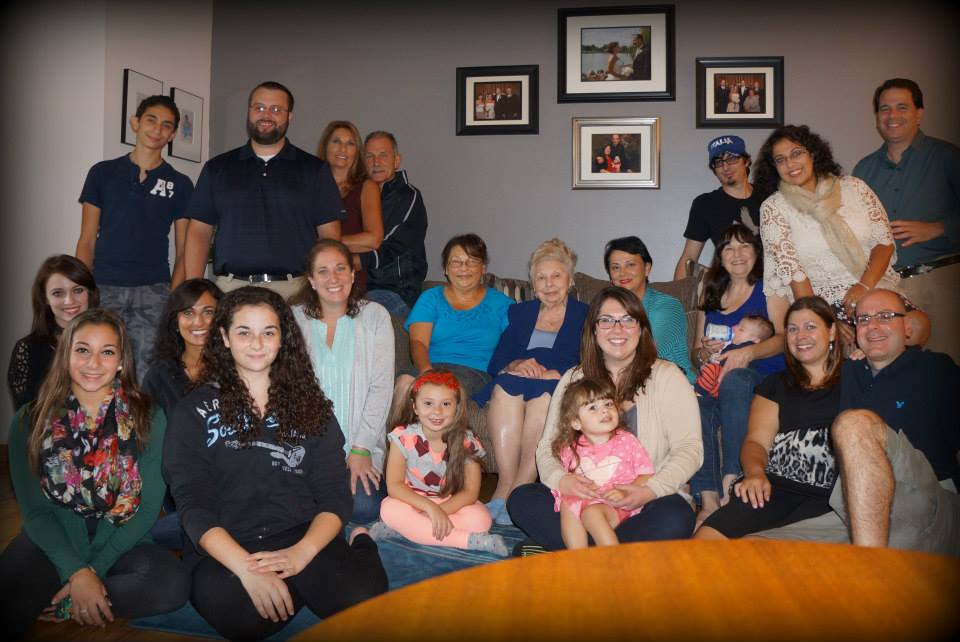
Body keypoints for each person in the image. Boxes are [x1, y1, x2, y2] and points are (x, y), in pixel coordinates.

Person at [162, 287, 388, 640]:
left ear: (283, 339)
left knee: (363, 602)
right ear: (224, 337)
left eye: (268, 332)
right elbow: (192, 503)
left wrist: (301, 555)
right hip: (228, 542)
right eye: (244, 332)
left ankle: (361, 543)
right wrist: (247, 569)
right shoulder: (192, 412)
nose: (257, 343)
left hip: (300, 532)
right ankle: (302, 587)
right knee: (245, 621)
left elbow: (334, 494)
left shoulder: (312, 407)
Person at [0, 309, 189, 638]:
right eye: (83, 350)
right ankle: (82, 593)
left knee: (172, 586)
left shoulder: (149, 417)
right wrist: (75, 570)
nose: (93, 363)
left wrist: (93, 571)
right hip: (53, 541)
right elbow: (36, 513)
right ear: (66, 354)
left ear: (121, 362)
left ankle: (72, 601)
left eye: (107, 352)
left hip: (122, 543)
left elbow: (146, 510)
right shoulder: (29, 421)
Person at [751, 289, 959, 556]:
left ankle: (869, 564)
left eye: (885, 316)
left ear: (908, 327)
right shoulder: (848, 372)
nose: (873, 326)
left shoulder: (934, 369)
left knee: (853, 424)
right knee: (752, 550)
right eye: (863, 319)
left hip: (927, 503)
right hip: (856, 511)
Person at [508, 287, 702, 551]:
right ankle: (611, 557)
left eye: (627, 320)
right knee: (522, 498)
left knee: (677, 515)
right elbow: (548, 447)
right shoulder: (574, 379)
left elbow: (690, 448)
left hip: (643, 501)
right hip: (582, 501)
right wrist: (562, 480)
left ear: (641, 328)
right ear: (593, 329)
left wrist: (649, 490)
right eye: (606, 320)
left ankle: (570, 551)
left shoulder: (668, 377)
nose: (617, 329)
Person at [754, 124, 929, 349]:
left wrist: (864, 287)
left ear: (812, 154)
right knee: (846, 343)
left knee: (916, 326)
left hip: (873, 286)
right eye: (780, 160)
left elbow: (884, 243)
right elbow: (794, 274)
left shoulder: (854, 188)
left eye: (796, 153)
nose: (790, 163)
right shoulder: (774, 208)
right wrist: (824, 319)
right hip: (823, 301)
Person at [694, 297, 843, 540]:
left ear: (832, 331)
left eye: (810, 327)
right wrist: (754, 473)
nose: (800, 336)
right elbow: (756, 442)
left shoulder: (855, 376)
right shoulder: (776, 384)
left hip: (829, 496)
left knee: (764, 549)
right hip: (772, 489)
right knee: (703, 542)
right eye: (792, 329)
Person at [182, 81, 344, 299]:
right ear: (249, 112)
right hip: (230, 291)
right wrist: (195, 292)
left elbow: (330, 237)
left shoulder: (315, 170)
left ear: (289, 116)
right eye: (259, 107)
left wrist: (325, 290)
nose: (266, 115)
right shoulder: (217, 168)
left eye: (276, 109)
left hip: (297, 292)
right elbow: (199, 231)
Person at [76, 94, 192, 379]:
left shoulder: (180, 184)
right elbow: (87, 239)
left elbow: (184, 251)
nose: (157, 129)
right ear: (135, 123)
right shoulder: (102, 173)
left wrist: (174, 301)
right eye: (151, 120)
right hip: (104, 286)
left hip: (154, 290)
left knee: (145, 374)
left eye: (166, 125)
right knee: (99, 369)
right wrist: (82, 290)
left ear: (172, 134)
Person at [474, 239, 588, 525]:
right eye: (541, 278)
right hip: (519, 378)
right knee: (504, 388)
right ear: (533, 285)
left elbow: (591, 359)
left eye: (556, 276)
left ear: (570, 280)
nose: (549, 284)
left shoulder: (586, 314)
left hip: (557, 383)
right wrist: (515, 364)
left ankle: (520, 489)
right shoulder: (520, 312)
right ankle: (503, 487)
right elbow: (497, 361)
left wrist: (560, 373)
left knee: (544, 398)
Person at [852, 78, 960, 363]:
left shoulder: (948, 157)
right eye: (884, 109)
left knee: (948, 368)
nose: (892, 115)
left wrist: (939, 229)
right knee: (894, 373)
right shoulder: (864, 170)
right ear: (877, 117)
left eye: (902, 107)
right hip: (886, 289)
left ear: (919, 113)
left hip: (941, 282)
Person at [289, 240, 394, 524]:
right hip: (304, 450)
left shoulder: (375, 316)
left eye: (340, 269)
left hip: (359, 447)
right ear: (311, 280)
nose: (333, 278)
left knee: (363, 507)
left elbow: (381, 388)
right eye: (322, 271)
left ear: (352, 273)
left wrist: (361, 449)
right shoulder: (293, 319)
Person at [688, 224, 787, 522]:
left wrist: (748, 353)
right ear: (720, 256)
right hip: (717, 379)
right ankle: (708, 500)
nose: (737, 254)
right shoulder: (710, 290)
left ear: (756, 252)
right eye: (728, 248)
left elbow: (785, 339)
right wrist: (704, 352)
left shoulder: (770, 287)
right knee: (695, 404)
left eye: (745, 246)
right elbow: (696, 352)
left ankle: (733, 482)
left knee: (736, 378)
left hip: (762, 377)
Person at [367, 369, 508, 556]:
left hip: (450, 504)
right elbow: (394, 486)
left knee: (481, 520)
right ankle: (469, 541)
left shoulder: (467, 441)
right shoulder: (402, 437)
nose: (437, 411)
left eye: (446, 404)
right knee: (388, 508)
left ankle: (406, 529)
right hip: (413, 501)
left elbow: (470, 492)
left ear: (456, 407)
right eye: (428, 403)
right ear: (415, 407)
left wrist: (440, 510)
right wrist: (430, 508)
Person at [142, 278, 223, 549]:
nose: (198, 321)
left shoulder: (239, 367)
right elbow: (148, 444)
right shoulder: (159, 375)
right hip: (182, 491)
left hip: (234, 486)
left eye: (208, 312)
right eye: (188, 312)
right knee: (147, 536)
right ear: (175, 320)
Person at [396, 233, 512, 399]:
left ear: (483, 268)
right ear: (445, 268)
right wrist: (427, 372)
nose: (463, 268)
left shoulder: (502, 304)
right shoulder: (431, 298)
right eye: (456, 262)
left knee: (444, 390)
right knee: (404, 383)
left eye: (472, 261)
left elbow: (516, 345)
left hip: (475, 373)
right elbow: (418, 342)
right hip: (431, 367)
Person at [551, 378, 654, 549]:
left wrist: (625, 492)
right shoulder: (569, 449)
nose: (605, 410)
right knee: (567, 504)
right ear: (576, 422)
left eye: (608, 404)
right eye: (593, 407)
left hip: (618, 504)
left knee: (591, 514)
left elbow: (647, 473)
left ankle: (612, 561)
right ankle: (578, 559)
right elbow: (565, 479)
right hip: (588, 500)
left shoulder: (627, 441)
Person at [8, 255, 100, 411]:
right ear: (45, 298)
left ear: (90, 293)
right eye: (58, 293)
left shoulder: (110, 343)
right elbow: (25, 417)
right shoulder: (27, 349)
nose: (69, 301)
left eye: (78, 290)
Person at [604, 236, 695, 382]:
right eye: (615, 267)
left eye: (630, 265)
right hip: (623, 381)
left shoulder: (668, 306)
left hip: (673, 383)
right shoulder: (608, 309)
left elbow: (648, 355)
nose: (622, 273)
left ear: (647, 268)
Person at [674, 135, 764, 279]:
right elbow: (689, 257)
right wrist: (678, 292)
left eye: (732, 159)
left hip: (773, 285)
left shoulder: (769, 198)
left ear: (746, 161)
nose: (725, 167)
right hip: (732, 287)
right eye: (718, 162)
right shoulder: (705, 204)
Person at [358, 131, 428, 317]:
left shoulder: (408, 196)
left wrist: (349, 259)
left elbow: (385, 245)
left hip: (396, 291)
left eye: (383, 155)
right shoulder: (357, 195)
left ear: (396, 161)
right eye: (370, 156)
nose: (376, 162)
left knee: (360, 314)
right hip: (359, 286)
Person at [317, 120, 383, 291]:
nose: (343, 149)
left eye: (350, 144)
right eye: (336, 141)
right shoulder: (311, 185)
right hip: (315, 277)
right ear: (325, 146)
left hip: (351, 281)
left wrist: (323, 242)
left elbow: (374, 239)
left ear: (357, 151)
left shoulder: (367, 187)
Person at [694, 315, 775, 398]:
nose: (734, 328)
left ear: (755, 340)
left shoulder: (746, 347)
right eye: (737, 325)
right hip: (722, 380)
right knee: (708, 370)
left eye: (741, 329)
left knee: (711, 369)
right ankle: (710, 391)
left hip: (734, 380)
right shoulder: (732, 344)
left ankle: (699, 392)